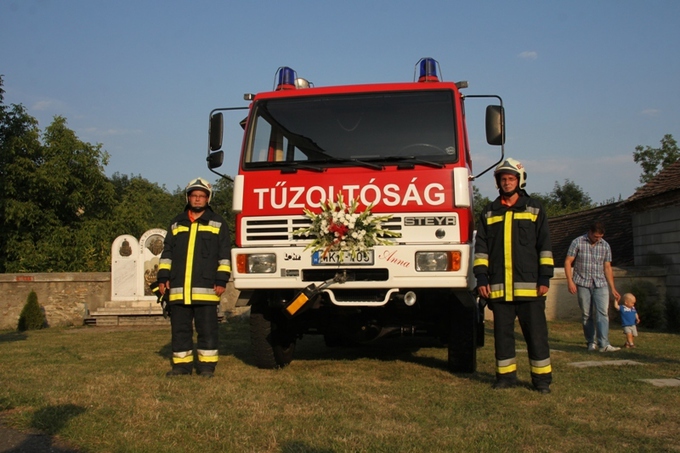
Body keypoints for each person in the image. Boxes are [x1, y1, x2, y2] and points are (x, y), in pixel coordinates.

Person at [474, 158, 554, 394]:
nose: (507, 183)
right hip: (499, 288)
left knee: (536, 336)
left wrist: (545, 278)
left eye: (511, 179)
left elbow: (545, 245)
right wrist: (481, 278)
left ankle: (541, 381)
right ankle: (505, 378)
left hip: (531, 288)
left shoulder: (534, 208)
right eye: (503, 179)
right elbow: (481, 249)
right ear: (497, 182)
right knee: (502, 337)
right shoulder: (489, 211)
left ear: (520, 181)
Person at [156, 177, 232, 378]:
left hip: (206, 288)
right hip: (179, 288)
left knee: (207, 329)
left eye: (201, 196)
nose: (197, 199)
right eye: (194, 196)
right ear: (188, 198)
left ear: (208, 199)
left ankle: (206, 367)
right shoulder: (176, 223)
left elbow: (224, 254)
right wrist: (163, 278)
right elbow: (167, 252)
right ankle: (181, 367)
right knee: (180, 330)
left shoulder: (218, 223)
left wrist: (221, 280)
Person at [564, 222, 621, 352]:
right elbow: (568, 261)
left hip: (600, 283)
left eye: (600, 236)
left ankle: (604, 344)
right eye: (595, 236)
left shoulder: (605, 245)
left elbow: (607, 267)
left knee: (603, 313)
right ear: (590, 232)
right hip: (583, 282)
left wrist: (612, 288)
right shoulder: (577, 242)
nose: (598, 239)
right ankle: (591, 341)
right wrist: (570, 281)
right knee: (586, 314)